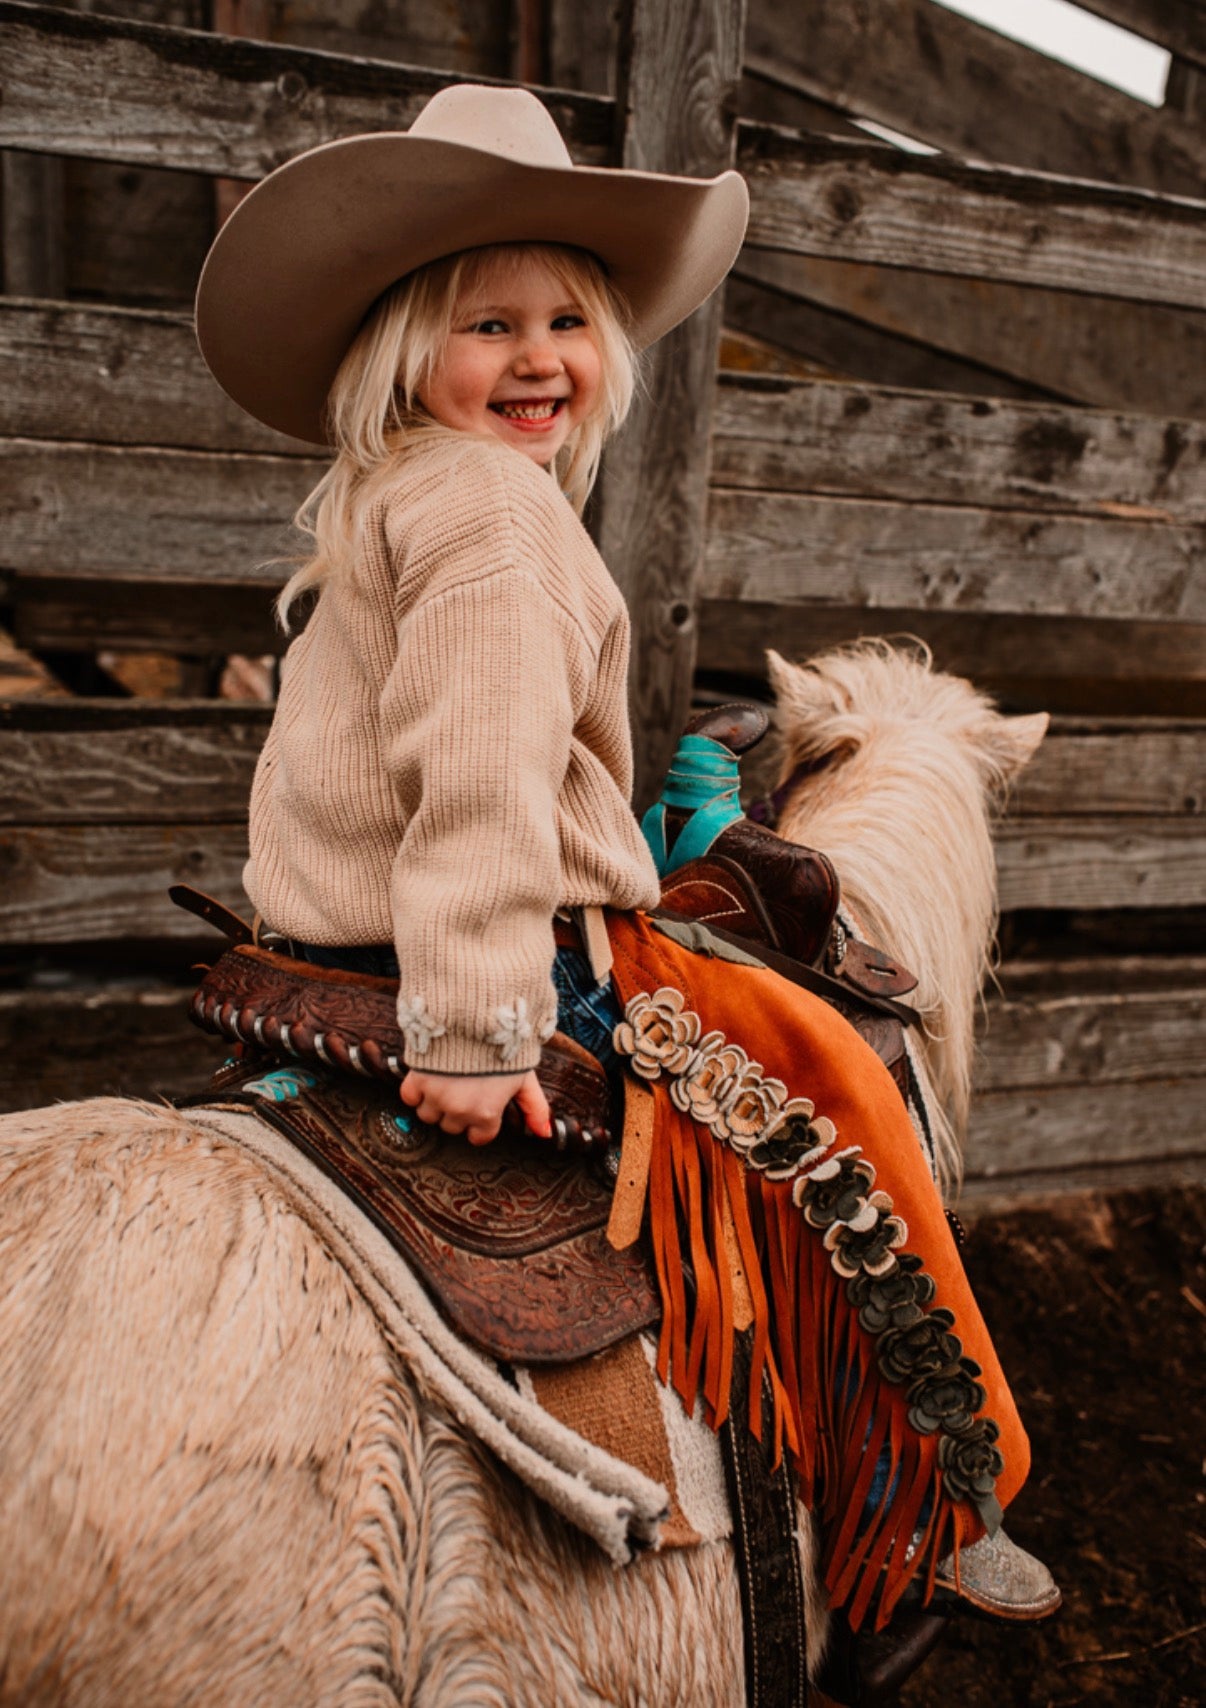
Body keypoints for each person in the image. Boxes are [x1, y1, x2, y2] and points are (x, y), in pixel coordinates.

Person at [195, 82, 1056, 1635]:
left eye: (566, 322)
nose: (536, 359)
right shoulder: (494, 518)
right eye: (485, 325)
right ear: (404, 352)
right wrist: (474, 1023)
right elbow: (473, 781)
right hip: (474, 970)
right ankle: (927, 1495)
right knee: (841, 1083)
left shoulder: (417, 494)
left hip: (320, 955)